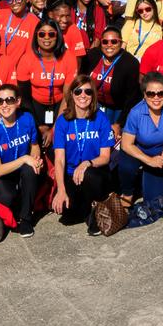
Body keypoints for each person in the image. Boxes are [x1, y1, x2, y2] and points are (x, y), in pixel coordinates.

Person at [51, 79, 118, 231]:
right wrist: (61, 190)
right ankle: (85, 207)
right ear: (72, 95)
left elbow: (105, 157)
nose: (83, 95)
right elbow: (60, 160)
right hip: (71, 174)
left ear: (93, 95)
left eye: (88, 91)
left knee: (89, 175)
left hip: (95, 171)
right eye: (78, 91)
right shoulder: (63, 121)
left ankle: (95, 212)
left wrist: (87, 163)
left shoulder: (100, 118)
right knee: (66, 215)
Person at [118, 74, 163, 223]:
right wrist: (148, 160)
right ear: (144, 94)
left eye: (161, 93)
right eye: (151, 93)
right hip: (137, 149)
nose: (156, 97)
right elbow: (126, 144)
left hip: (160, 153)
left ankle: (146, 184)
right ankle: (128, 192)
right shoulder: (136, 112)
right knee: (126, 166)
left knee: (154, 204)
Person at [0, 84, 44, 231]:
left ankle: (26, 218)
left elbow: (35, 145)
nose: (4, 105)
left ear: (18, 101)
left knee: (31, 169)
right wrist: (24, 159)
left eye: (9, 100)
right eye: (0, 101)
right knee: (6, 197)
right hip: (4, 173)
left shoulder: (27, 118)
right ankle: (15, 210)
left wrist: (36, 160)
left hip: (23, 170)